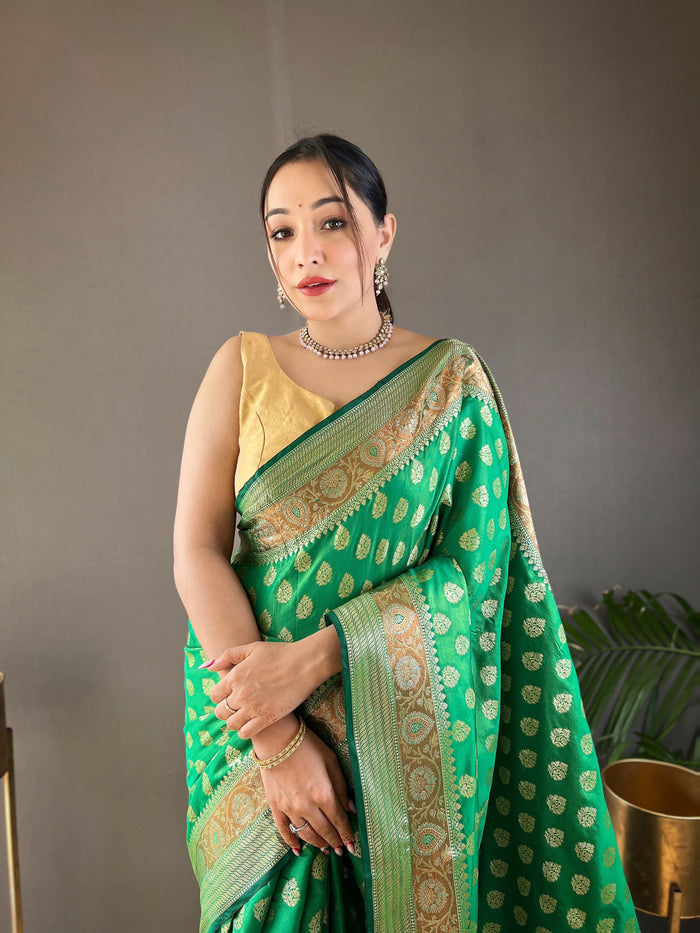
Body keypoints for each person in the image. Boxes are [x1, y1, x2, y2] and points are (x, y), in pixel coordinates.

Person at [174, 135, 639, 933]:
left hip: (409, 742)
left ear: (384, 233)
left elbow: (476, 574)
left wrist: (319, 657)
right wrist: (278, 741)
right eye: (282, 231)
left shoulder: (450, 380)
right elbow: (196, 550)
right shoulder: (239, 368)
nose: (306, 251)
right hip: (252, 736)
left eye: (332, 222)